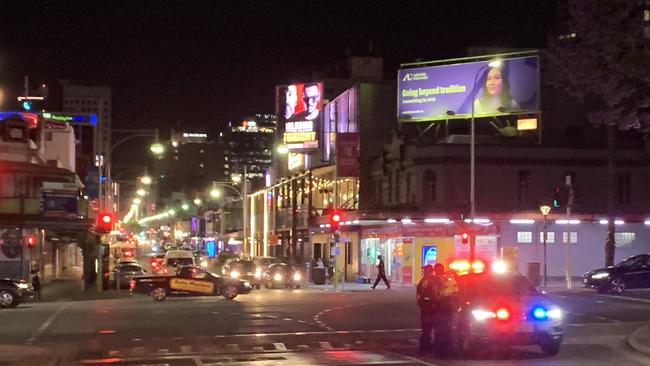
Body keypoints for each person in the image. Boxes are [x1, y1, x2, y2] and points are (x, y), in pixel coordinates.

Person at [416, 264, 442, 352]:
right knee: (428, 328)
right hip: (427, 306)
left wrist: (433, 303)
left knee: (428, 327)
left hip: (429, 306)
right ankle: (428, 345)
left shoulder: (431, 280)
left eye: (425, 270)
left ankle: (427, 346)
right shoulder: (425, 280)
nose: (424, 272)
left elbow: (435, 293)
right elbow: (419, 291)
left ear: (430, 271)